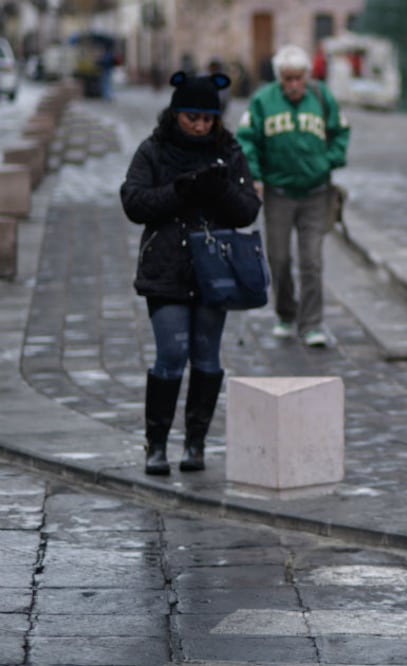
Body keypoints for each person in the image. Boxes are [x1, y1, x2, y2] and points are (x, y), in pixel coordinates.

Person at [119, 71, 262, 475]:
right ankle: (157, 444)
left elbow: (249, 209)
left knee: (206, 356)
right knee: (171, 353)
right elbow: (133, 201)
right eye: (191, 118)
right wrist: (179, 190)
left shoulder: (229, 150)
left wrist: (219, 190)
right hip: (166, 266)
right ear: (176, 114)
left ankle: (195, 443)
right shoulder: (154, 150)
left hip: (215, 269)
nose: (200, 126)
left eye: (207, 119)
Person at [236, 44, 351, 347]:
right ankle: (286, 313)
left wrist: (329, 161)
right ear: (279, 78)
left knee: (311, 260)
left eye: (298, 78)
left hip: (316, 193)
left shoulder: (322, 97)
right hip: (278, 193)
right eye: (287, 79)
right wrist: (255, 176)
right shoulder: (263, 101)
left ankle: (311, 323)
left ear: (306, 76)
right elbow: (247, 140)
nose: (294, 85)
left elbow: (340, 131)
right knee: (280, 258)